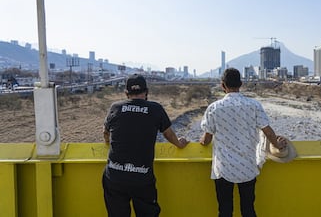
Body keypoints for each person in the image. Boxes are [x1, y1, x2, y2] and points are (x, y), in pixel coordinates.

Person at [199, 68, 289, 217]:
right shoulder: (254, 105)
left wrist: (202, 141)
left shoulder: (214, 108)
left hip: (223, 168)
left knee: (225, 211)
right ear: (240, 84)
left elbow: (207, 139)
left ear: (223, 85)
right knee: (248, 210)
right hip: (247, 166)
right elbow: (267, 130)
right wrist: (277, 144)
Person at [102, 74, 189, 217]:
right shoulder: (155, 109)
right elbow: (168, 134)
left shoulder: (115, 107)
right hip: (141, 178)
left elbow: (105, 132)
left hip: (115, 176)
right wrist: (180, 144)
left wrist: (107, 142)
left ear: (126, 93)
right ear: (147, 92)